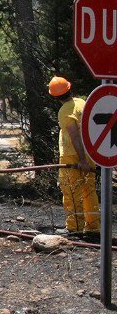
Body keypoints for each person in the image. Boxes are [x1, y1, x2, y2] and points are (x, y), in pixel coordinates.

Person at [49, 76, 100, 239]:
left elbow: (74, 135)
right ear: (70, 89)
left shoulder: (65, 111)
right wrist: (87, 157)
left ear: (54, 96)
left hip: (73, 157)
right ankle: (93, 228)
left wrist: (81, 160)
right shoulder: (81, 103)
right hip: (89, 153)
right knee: (88, 191)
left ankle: (74, 228)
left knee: (71, 191)